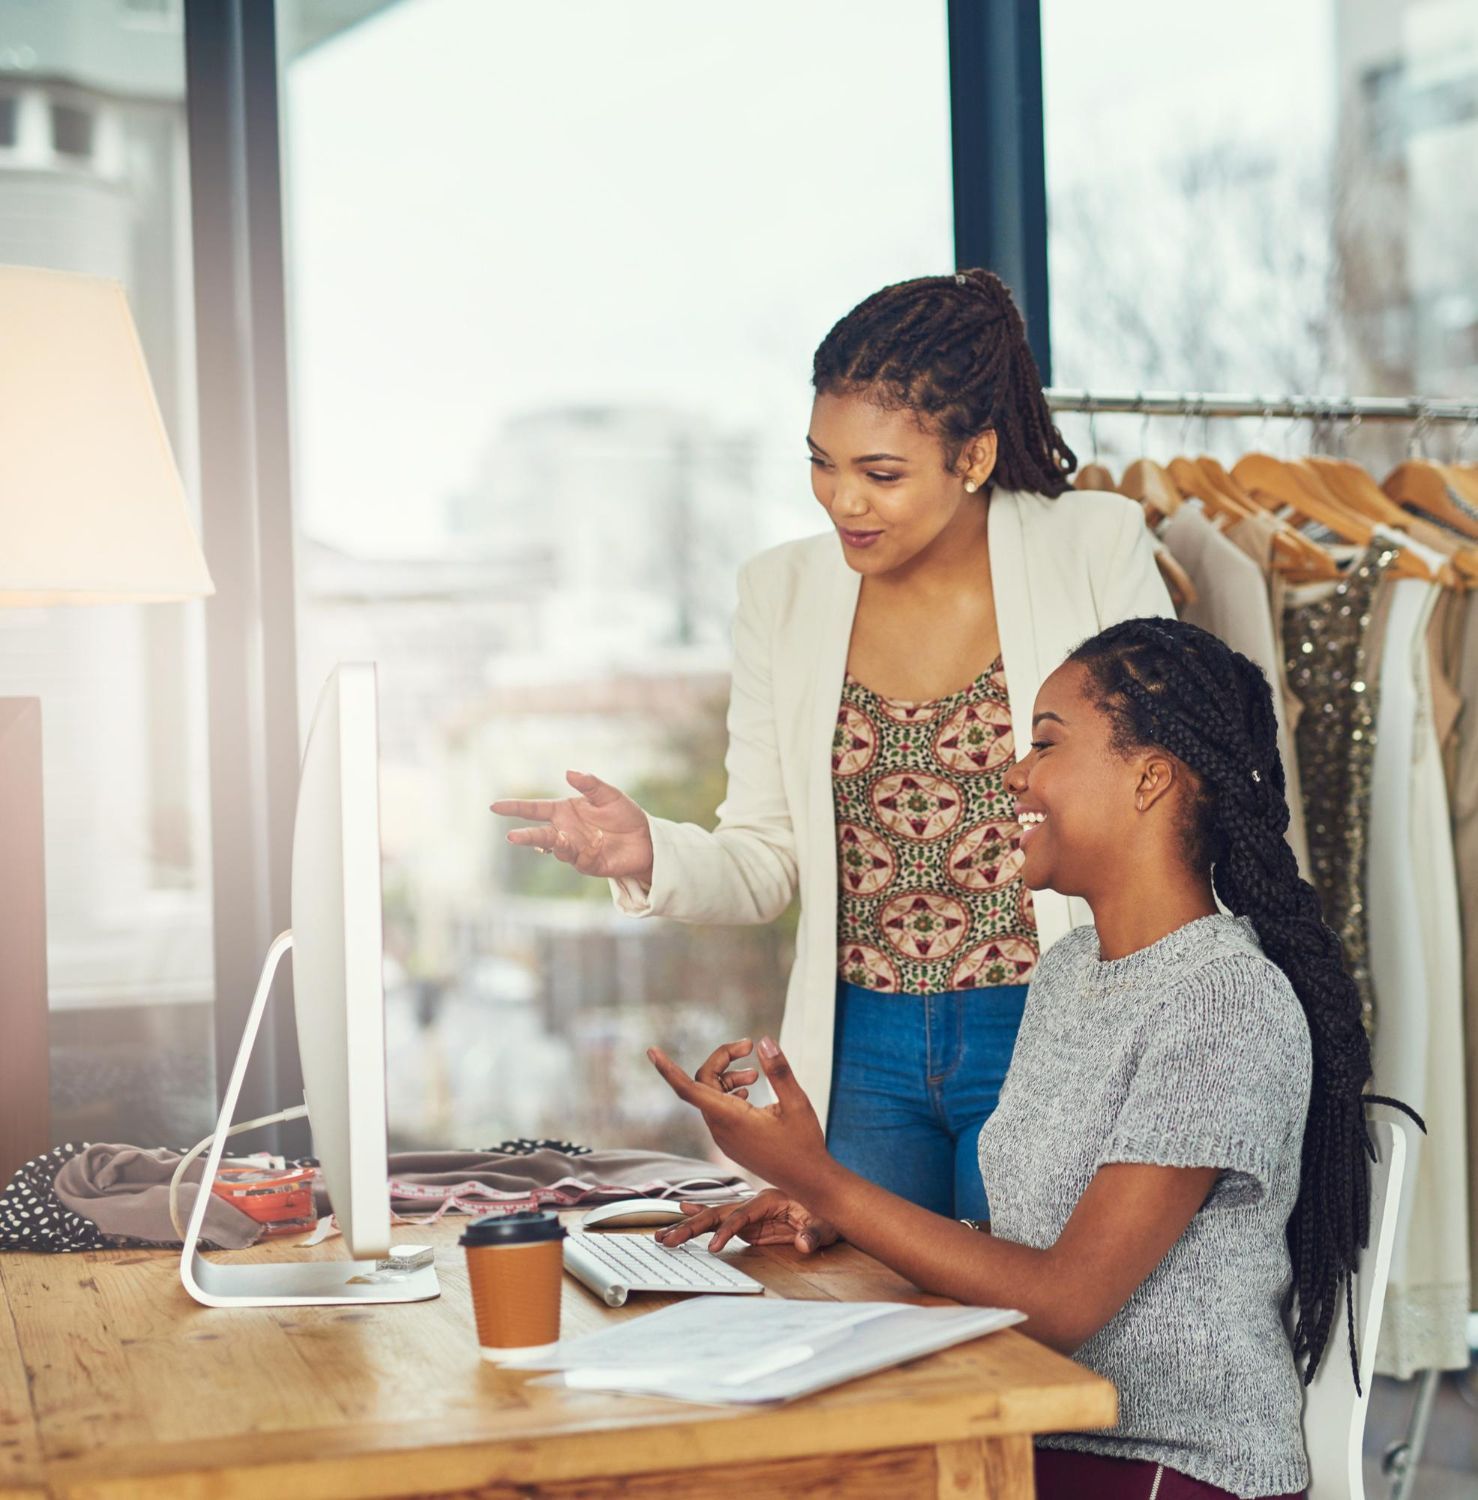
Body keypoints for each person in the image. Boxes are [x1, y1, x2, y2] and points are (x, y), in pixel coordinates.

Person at [648, 618, 1412, 1500]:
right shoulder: (1068, 973)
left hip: (1166, 1466)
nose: (1014, 774)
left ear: (1150, 779)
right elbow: (1031, 1245)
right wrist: (844, 1221)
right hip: (1037, 1435)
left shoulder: (1223, 1001)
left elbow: (1061, 1301)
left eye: (1046, 743)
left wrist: (826, 1181)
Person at [492, 269, 1171, 1220]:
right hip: (862, 1057)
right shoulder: (782, 593)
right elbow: (766, 858)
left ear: (972, 457)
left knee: (1031, 1332)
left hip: (1050, 1022)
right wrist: (653, 851)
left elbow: (1164, 798)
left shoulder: (1092, 548)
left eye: (881, 474)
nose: (842, 501)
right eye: (822, 462)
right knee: (868, 1328)